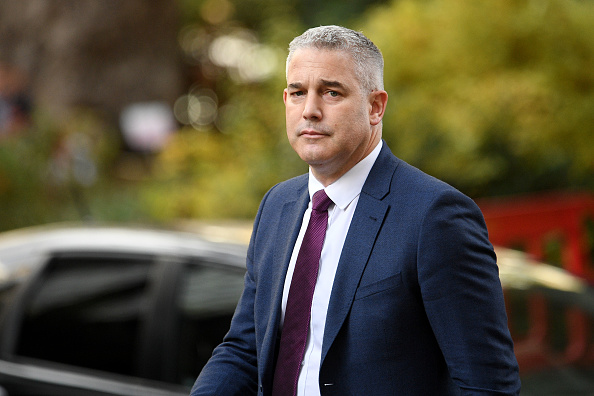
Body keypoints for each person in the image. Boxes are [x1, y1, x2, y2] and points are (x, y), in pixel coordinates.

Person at [191, 25, 520, 396]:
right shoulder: (277, 206)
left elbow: (487, 385)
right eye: (298, 93)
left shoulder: (435, 216)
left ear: (375, 106)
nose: (310, 111)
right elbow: (244, 351)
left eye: (331, 92)